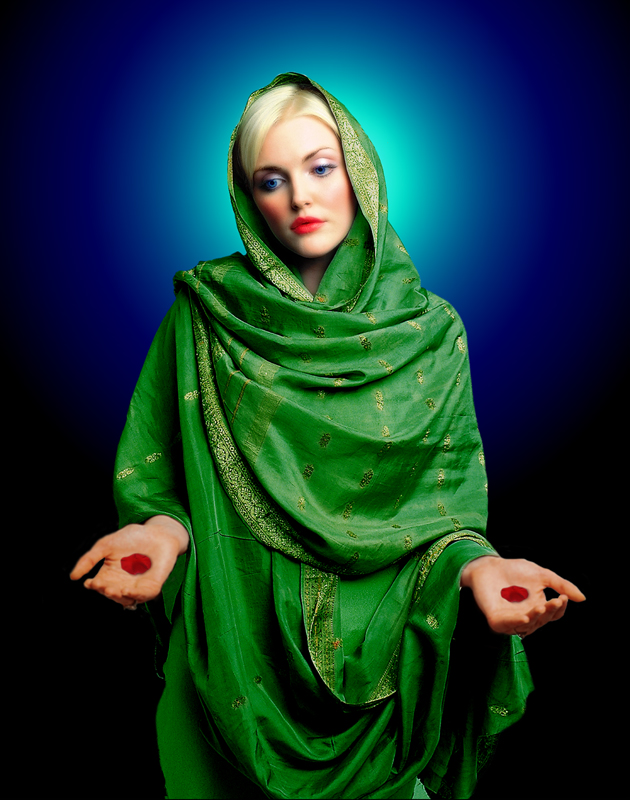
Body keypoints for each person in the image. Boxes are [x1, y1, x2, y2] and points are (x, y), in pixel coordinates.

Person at [70, 73, 585, 799]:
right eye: (271, 180)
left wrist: (478, 571)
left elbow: (441, 516)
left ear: (360, 172)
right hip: (235, 650)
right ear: (247, 198)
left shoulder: (430, 334)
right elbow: (166, 482)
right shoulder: (205, 314)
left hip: (383, 667)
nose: (299, 199)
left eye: (320, 168)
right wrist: (158, 534)